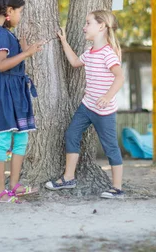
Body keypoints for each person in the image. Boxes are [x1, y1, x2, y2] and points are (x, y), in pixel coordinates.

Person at [45, 10, 126, 199]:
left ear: (101, 27)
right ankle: (68, 178)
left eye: (88, 23)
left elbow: (120, 77)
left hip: (104, 111)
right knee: (72, 134)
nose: (84, 27)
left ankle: (117, 188)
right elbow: (74, 62)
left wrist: (108, 96)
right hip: (87, 106)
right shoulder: (90, 52)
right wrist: (64, 42)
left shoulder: (108, 53)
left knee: (110, 147)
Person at [0, 0, 44, 203]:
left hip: (17, 90)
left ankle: (14, 185)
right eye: (20, 12)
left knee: (21, 137)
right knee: (3, 139)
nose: (21, 16)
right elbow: (1, 65)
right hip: (4, 91)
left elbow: (13, 59)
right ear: (9, 10)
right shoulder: (0, 33)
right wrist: (26, 53)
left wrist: (23, 49)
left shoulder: (7, 33)